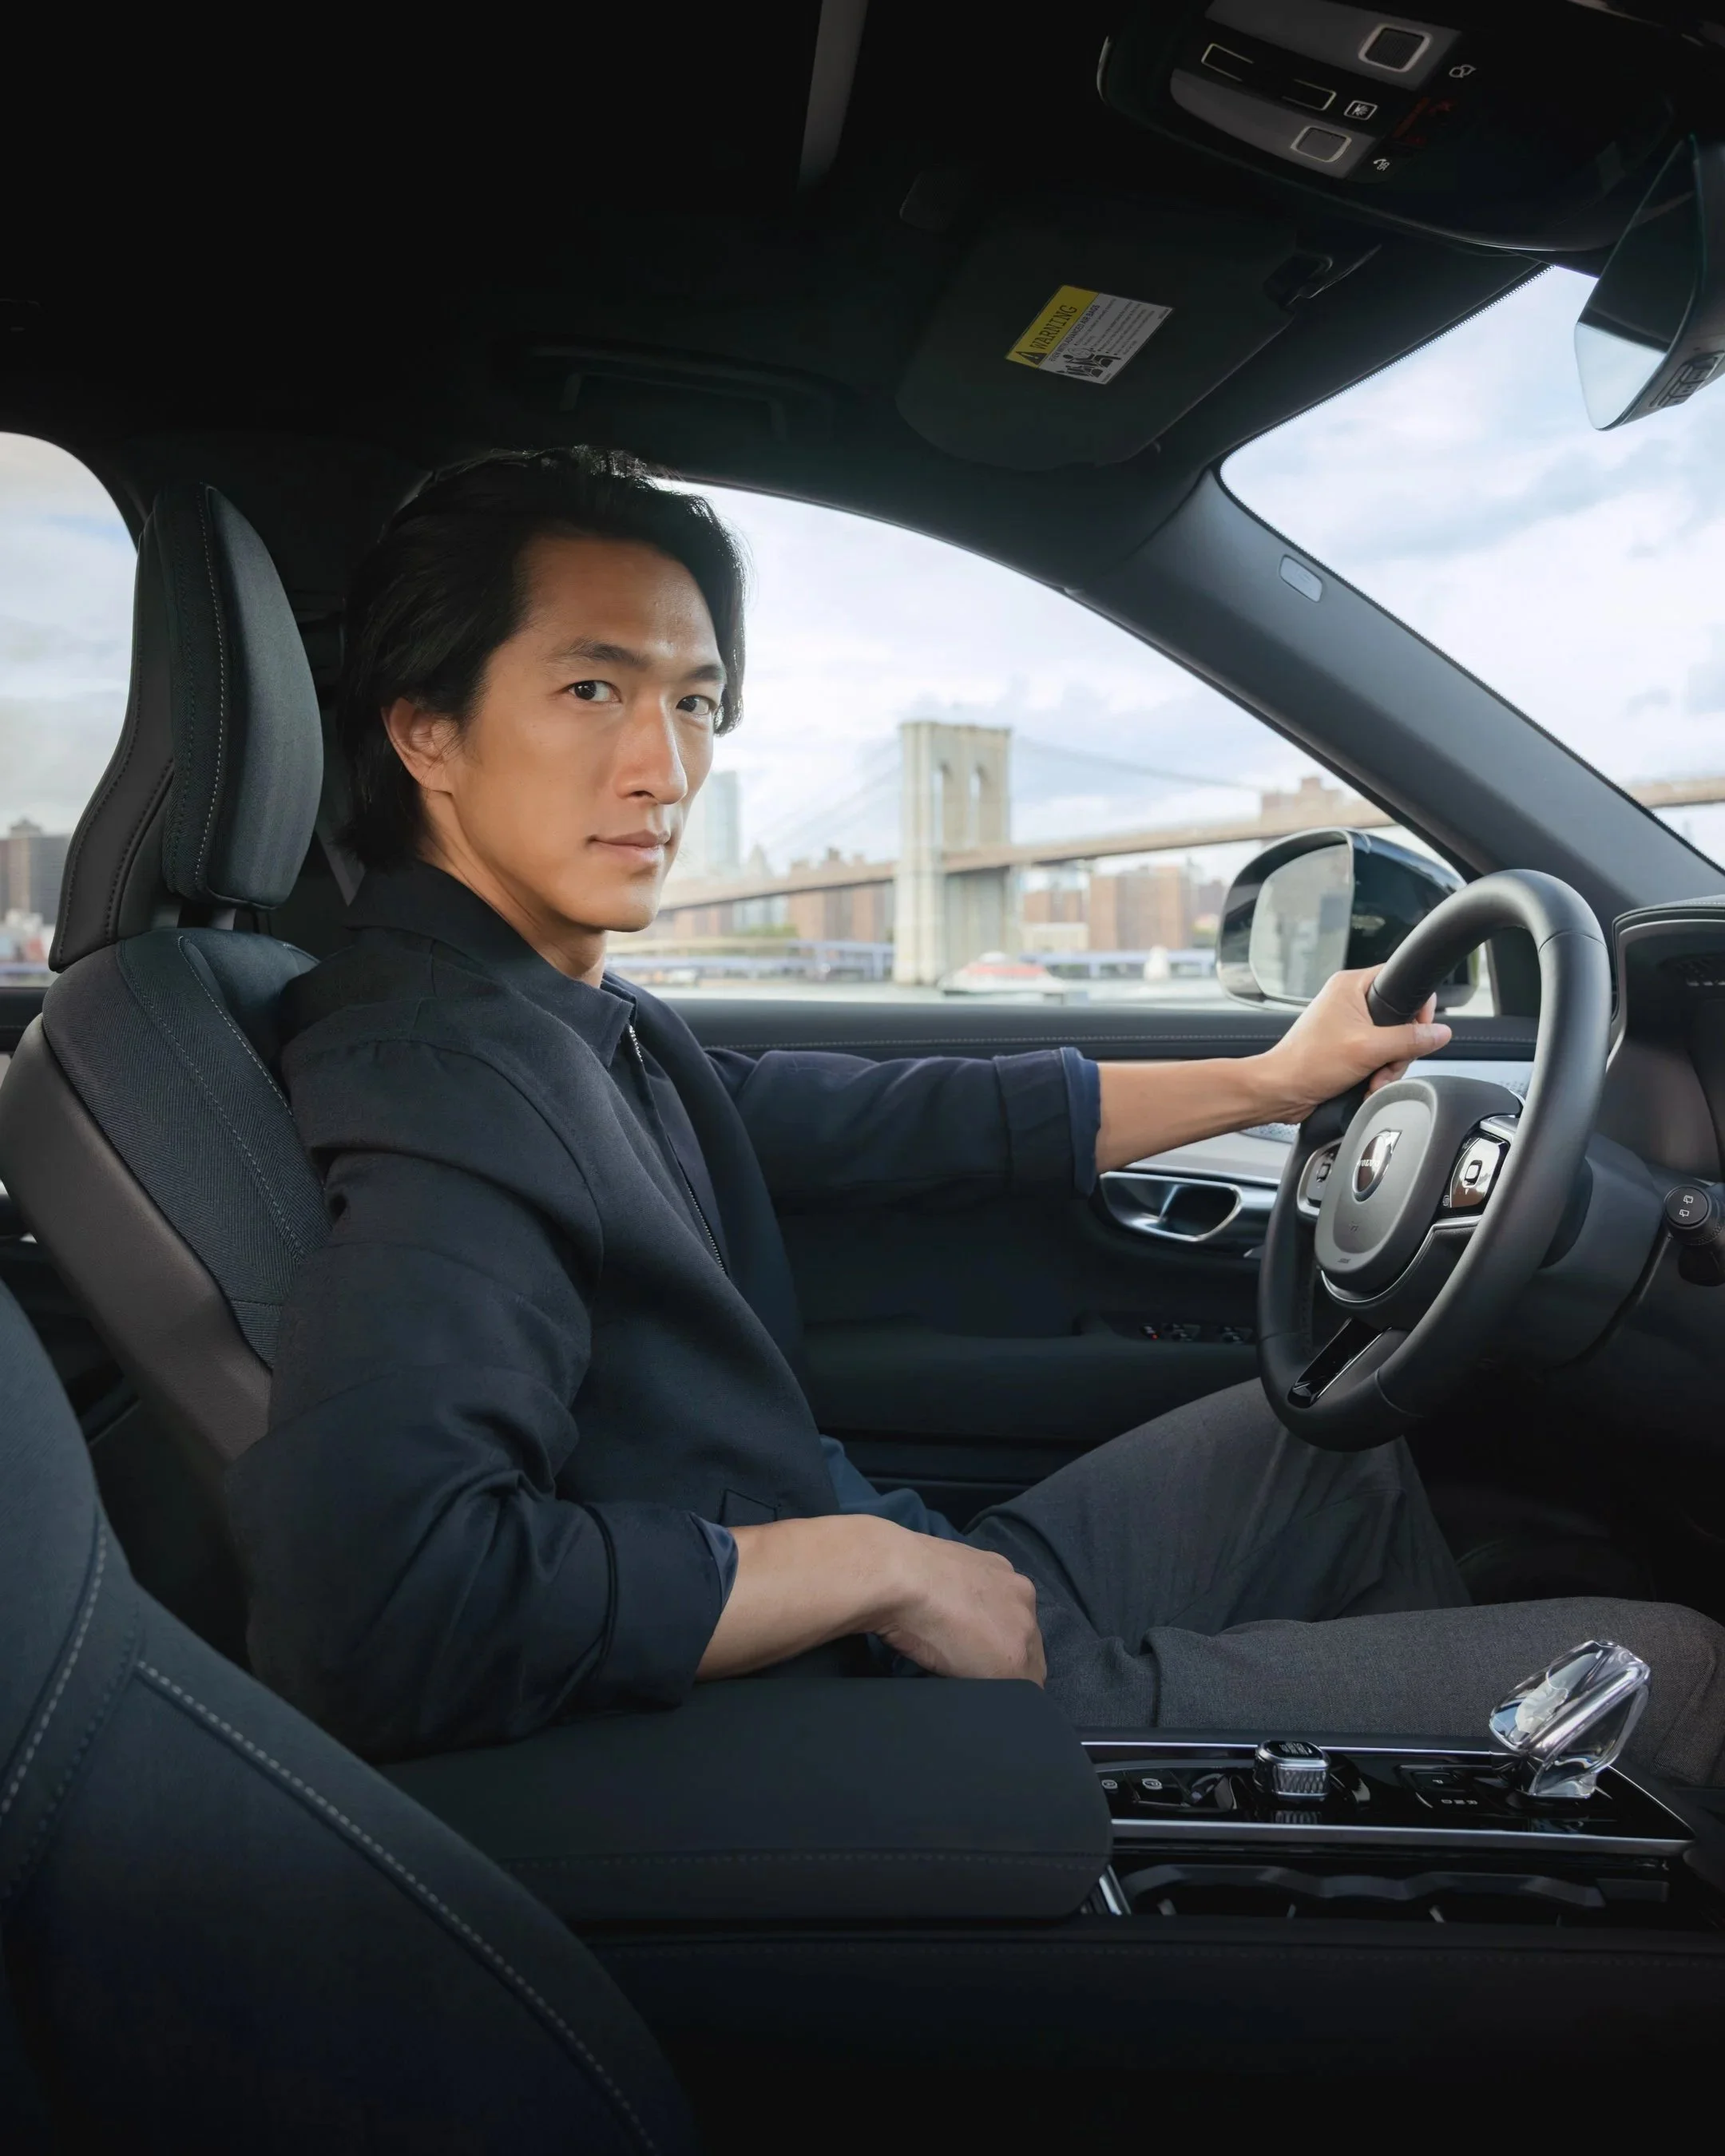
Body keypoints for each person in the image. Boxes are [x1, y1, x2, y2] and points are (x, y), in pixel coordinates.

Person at [230, 447, 1725, 1781]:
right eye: (591, 689)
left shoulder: (555, 1015)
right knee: (1683, 1677)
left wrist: (1273, 1082)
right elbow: (381, 1609)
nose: (665, 767)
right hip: (862, 1712)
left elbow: (890, 1120)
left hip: (880, 1588)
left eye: (695, 702)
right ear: (425, 732)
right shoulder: (445, 1070)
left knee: (1339, 1449)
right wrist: (868, 1572)